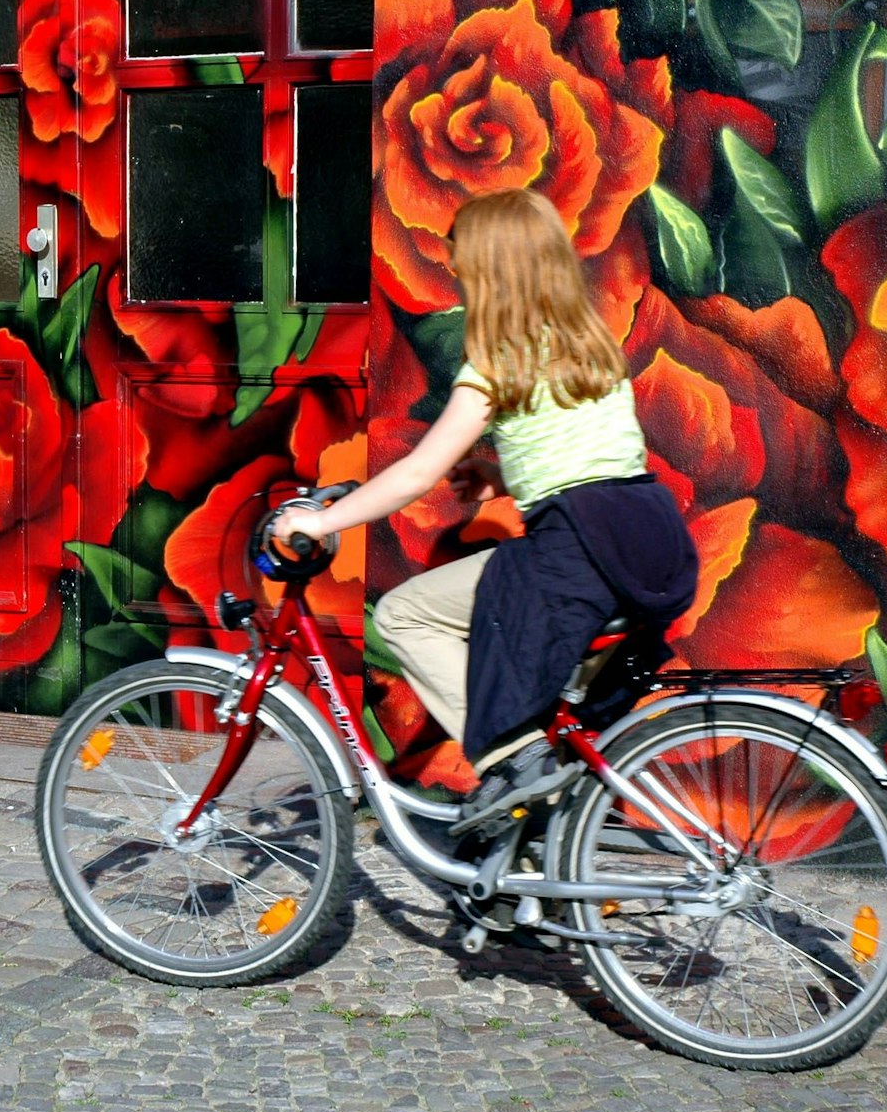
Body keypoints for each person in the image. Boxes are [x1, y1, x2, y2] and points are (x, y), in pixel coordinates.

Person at [273, 187, 698, 824]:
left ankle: (513, 754)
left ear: (491, 272)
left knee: (404, 614)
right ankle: (543, 841)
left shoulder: (497, 362)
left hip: (576, 551)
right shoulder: (591, 352)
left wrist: (322, 519)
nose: (455, 275)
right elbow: (585, 459)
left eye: (464, 263)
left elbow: (418, 472)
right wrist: (498, 478)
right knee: (567, 705)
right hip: (649, 541)